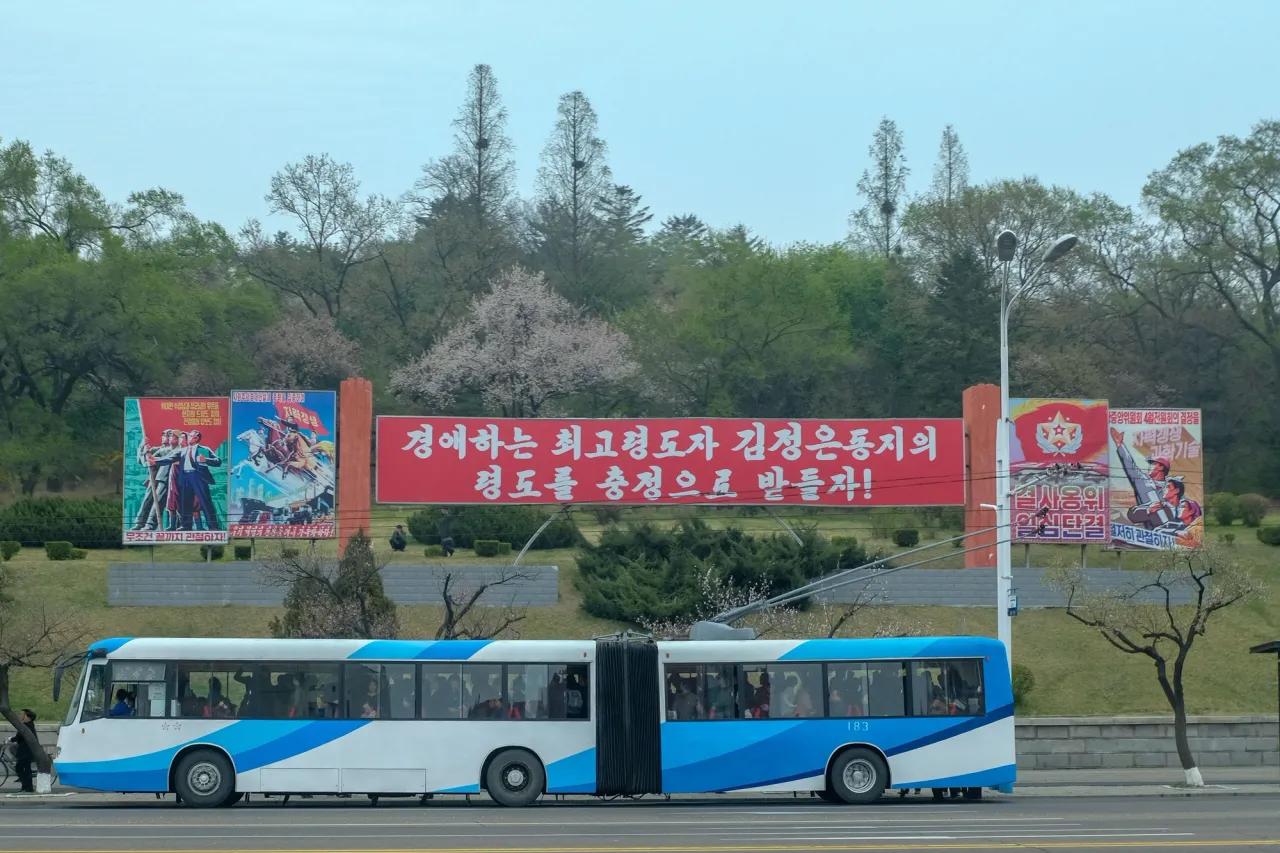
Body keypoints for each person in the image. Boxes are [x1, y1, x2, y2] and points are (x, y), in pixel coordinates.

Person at [177, 429, 222, 531]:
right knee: (185, 502)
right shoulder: (183, 450)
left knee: (205, 502)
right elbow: (170, 457)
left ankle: (213, 526)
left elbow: (218, 461)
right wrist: (155, 461)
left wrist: (206, 460)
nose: (187, 437)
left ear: (196, 438)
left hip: (198, 477)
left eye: (190, 435)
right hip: (185, 478)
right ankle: (185, 525)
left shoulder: (204, 449)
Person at [7, 709, 37, 792]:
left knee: (20, 768)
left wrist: (11, 739)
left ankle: (27, 787)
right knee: (25, 769)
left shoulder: (26, 726)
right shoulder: (29, 725)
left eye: (23, 714)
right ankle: (27, 787)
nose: (21, 716)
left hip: (25, 752)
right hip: (26, 751)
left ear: (28, 717)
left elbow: (19, 737)